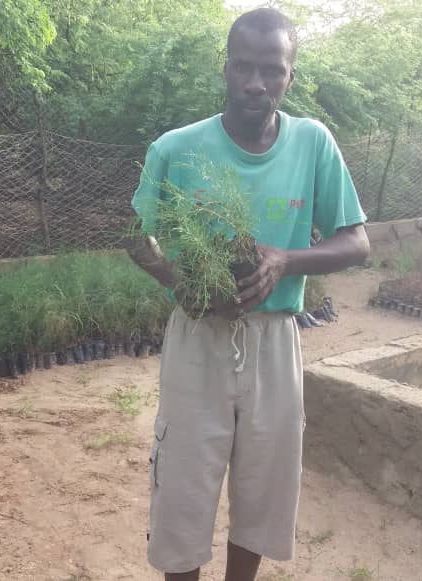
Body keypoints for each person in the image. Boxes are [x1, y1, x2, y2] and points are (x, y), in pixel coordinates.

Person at [126, 8, 370, 581]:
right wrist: (183, 283)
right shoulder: (176, 149)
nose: (254, 83)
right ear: (226, 68)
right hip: (198, 339)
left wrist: (285, 259)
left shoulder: (313, 143)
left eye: (271, 70)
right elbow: (140, 238)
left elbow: (357, 242)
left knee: (265, 486)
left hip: (275, 340)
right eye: (242, 67)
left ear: (290, 75)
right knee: (184, 489)